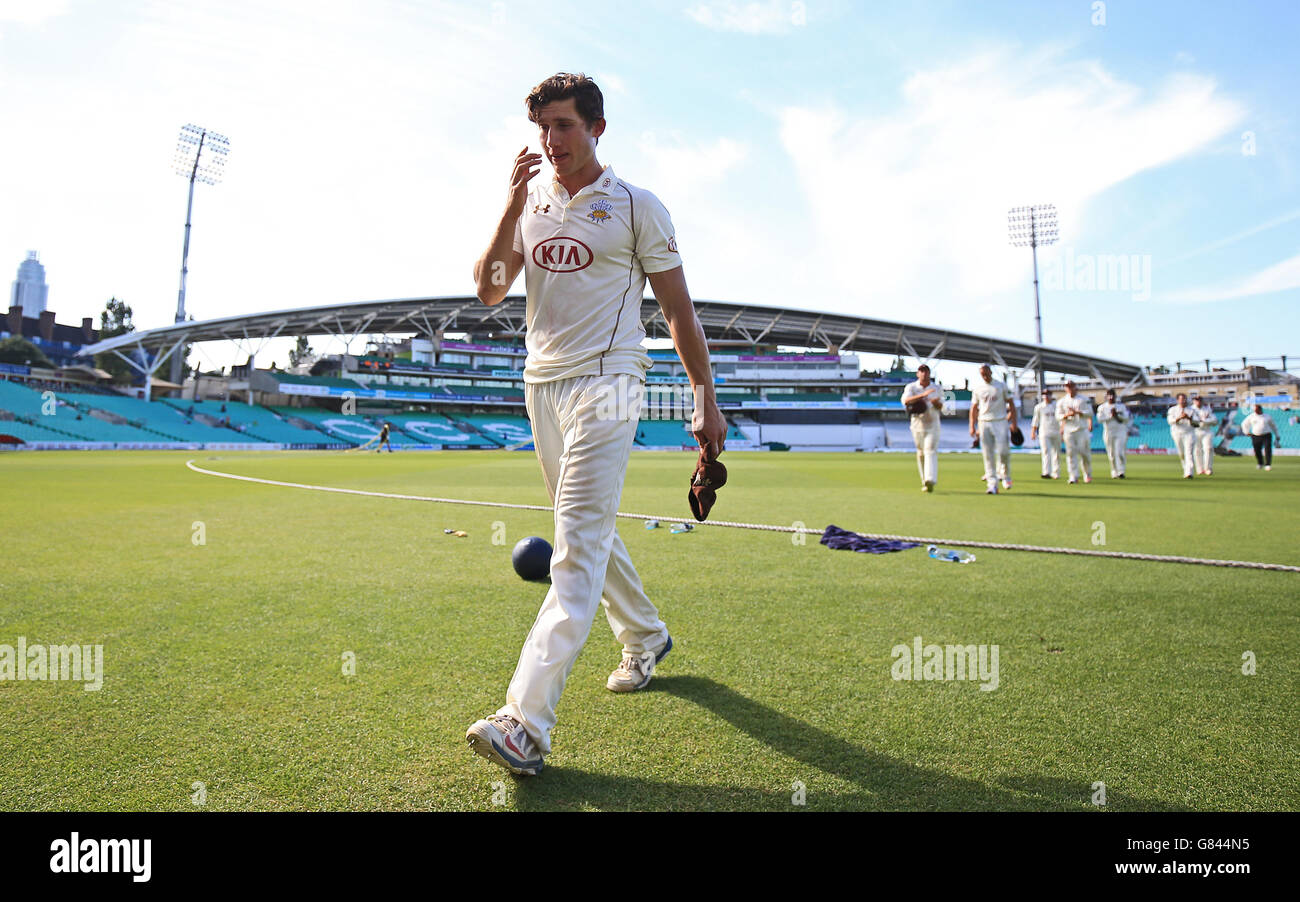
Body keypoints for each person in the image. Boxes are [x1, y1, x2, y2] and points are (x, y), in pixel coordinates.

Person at [464, 73, 727, 776]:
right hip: (542, 385)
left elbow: (678, 311)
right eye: (543, 127)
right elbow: (489, 289)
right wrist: (510, 203)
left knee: (574, 547)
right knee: (587, 529)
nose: (552, 140)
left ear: (597, 128)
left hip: (610, 382)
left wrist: (704, 395)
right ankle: (645, 635)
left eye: (565, 125)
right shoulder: (530, 201)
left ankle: (524, 723)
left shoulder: (637, 205)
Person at [969, 364, 1016, 493]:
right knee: (987, 454)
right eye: (982, 374)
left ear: (990, 372)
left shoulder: (1001, 386)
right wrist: (972, 425)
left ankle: (1005, 475)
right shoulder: (978, 388)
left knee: (1003, 452)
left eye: (986, 373)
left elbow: (1011, 404)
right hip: (984, 422)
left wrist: (1014, 423)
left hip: (1000, 421)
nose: (984, 376)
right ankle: (992, 484)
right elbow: (974, 408)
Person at [900, 364, 943, 492]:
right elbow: (906, 401)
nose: (924, 374)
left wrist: (935, 403)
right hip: (917, 424)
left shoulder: (937, 388)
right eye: (921, 371)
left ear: (929, 373)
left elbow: (941, 406)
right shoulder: (911, 387)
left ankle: (930, 479)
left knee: (930, 450)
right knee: (921, 452)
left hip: (933, 423)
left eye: (926, 371)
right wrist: (922, 396)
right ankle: (925, 481)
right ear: (917, 374)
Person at [1055, 381, 1094, 484]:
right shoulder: (1062, 401)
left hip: (1082, 429)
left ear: (1075, 387)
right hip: (1069, 430)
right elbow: (1058, 416)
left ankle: (1087, 474)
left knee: (1084, 453)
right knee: (1071, 453)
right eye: (1068, 387)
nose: (1070, 389)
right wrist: (1067, 415)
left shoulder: (1084, 399)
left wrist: (1078, 412)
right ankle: (1073, 475)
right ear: (1065, 388)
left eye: (1071, 386)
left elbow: (1090, 413)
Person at [1096, 388, 1130, 479]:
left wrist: (1117, 415)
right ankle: (1114, 470)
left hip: (1120, 431)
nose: (1111, 397)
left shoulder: (1121, 407)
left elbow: (1126, 419)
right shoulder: (1102, 407)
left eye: (1112, 395)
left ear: (1115, 396)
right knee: (1111, 453)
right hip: (1108, 432)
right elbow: (1099, 419)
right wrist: (1110, 416)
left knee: (1120, 452)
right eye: (1109, 395)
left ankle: (1121, 471)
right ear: (1106, 397)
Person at [1030, 389, 1061, 479]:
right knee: (1045, 452)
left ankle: (1056, 472)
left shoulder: (1057, 406)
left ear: (1051, 395)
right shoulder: (1039, 407)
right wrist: (1033, 432)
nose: (1046, 396)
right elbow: (1035, 420)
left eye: (1048, 394)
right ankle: (1046, 472)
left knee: (1056, 452)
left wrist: (1062, 430)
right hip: (1044, 432)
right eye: (1044, 394)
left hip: (1056, 431)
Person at [1241, 403, 1281, 470]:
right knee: (1257, 450)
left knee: (1267, 449)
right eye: (1254, 410)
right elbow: (1244, 424)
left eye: (1256, 410)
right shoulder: (1251, 416)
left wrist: (1277, 435)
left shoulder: (1267, 416)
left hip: (1266, 435)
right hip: (1255, 436)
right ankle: (1260, 463)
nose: (1255, 411)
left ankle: (1268, 464)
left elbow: (1274, 426)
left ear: (1260, 409)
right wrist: (1246, 432)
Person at [1167, 393, 1197, 478]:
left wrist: (1189, 418)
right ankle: (1185, 469)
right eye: (1181, 399)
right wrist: (1180, 417)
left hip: (1189, 432)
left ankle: (1189, 472)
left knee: (1189, 452)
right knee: (1182, 453)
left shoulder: (1192, 410)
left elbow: (1197, 423)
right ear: (1178, 400)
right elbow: (1170, 421)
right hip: (1177, 432)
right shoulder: (1172, 410)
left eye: (1184, 399)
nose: (1183, 401)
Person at [1190, 396, 1218, 475]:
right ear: (1193, 401)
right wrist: (1201, 421)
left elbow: (1215, 420)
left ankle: (1208, 468)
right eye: (1196, 400)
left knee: (1208, 449)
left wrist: (1204, 421)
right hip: (1195, 431)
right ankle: (1199, 469)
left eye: (1199, 400)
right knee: (1197, 450)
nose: (1198, 402)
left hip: (1206, 431)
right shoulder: (1191, 409)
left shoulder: (1207, 409)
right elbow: (1192, 421)